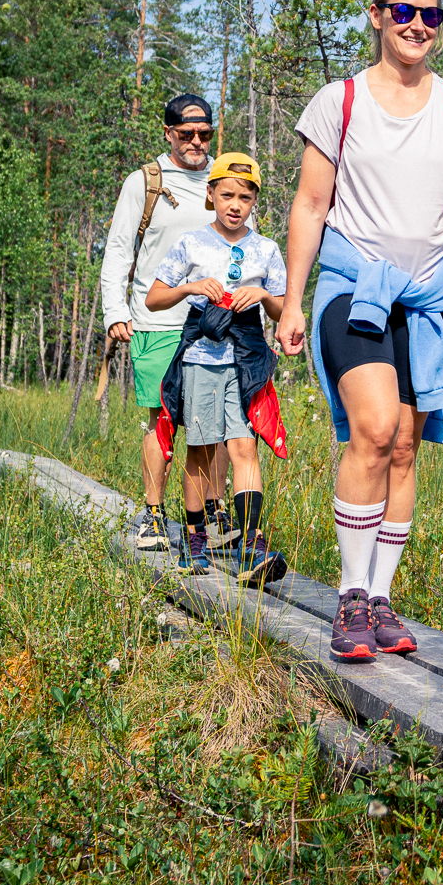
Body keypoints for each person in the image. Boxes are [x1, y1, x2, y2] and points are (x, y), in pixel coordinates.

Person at [277, 0, 443, 663]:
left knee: (406, 446)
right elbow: (310, 204)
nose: (417, 25)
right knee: (375, 428)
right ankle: (350, 595)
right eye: (403, 11)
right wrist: (291, 299)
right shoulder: (340, 100)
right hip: (354, 286)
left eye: (430, 15)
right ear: (377, 15)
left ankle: (381, 599)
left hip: (428, 296)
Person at [145, 152, 287, 581]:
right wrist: (191, 287)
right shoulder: (191, 243)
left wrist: (263, 296)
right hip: (201, 359)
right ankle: (195, 542)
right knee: (202, 450)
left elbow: (282, 309)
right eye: (226, 195)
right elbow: (154, 298)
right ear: (211, 194)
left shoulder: (266, 250)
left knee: (245, 448)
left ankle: (252, 544)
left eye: (245, 197)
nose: (235, 205)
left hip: (245, 360)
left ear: (255, 200)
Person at [101, 93, 216, 549]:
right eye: (186, 133)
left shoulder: (223, 179)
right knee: (162, 419)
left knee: (211, 423)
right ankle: (152, 516)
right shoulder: (145, 181)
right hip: (158, 320)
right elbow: (118, 248)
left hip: (213, 323)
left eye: (204, 134)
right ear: (168, 133)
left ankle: (207, 520)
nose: (196, 142)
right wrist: (115, 311)